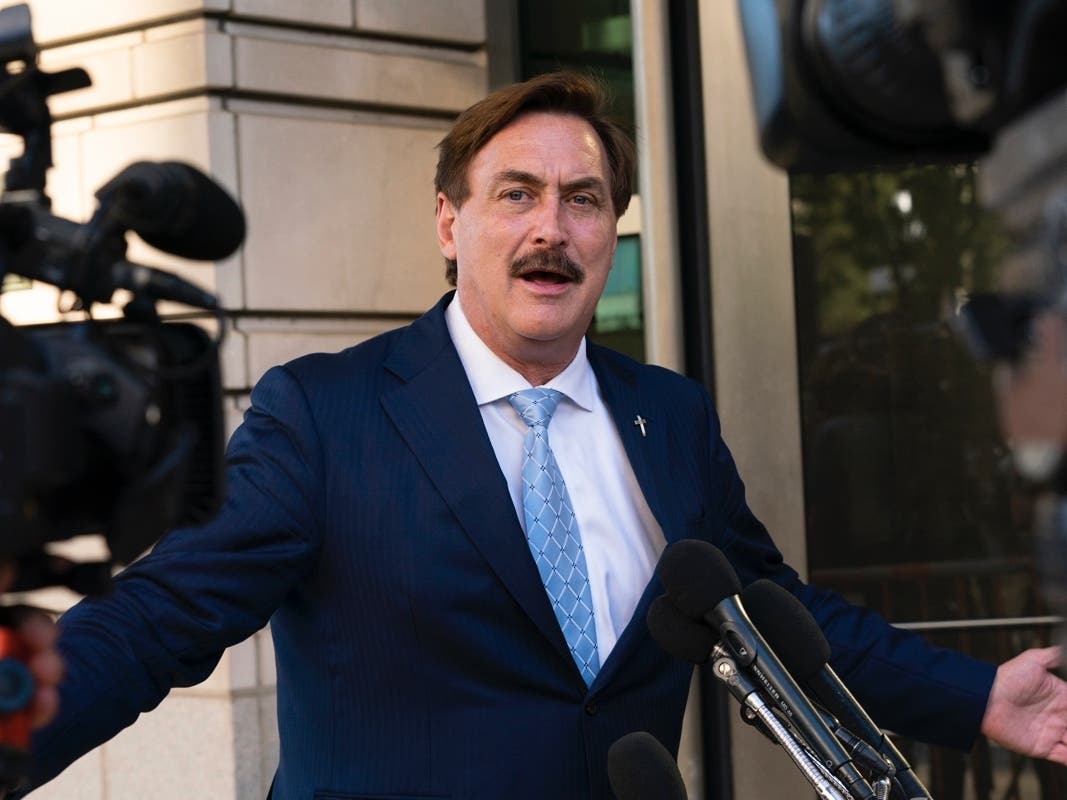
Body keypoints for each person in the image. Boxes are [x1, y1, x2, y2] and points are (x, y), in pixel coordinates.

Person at [18, 71, 1067, 799]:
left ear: (610, 232)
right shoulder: (325, 411)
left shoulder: (671, 416)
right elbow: (164, 610)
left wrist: (975, 692)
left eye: (582, 200)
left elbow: (772, 616)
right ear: (448, 222)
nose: (548, 227)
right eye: (515, 194)